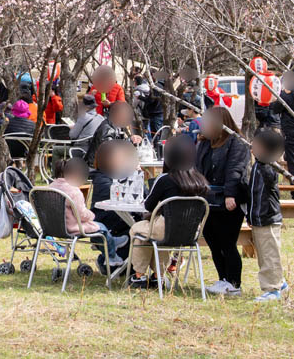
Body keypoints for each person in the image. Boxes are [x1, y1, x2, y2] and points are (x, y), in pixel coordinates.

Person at [126, 135, 209, 289]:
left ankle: (139, 275)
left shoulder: (164, 179)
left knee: (138, 232)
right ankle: (158, 275)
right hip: (191, 232)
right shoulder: (201, 181)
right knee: (155, 236)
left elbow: (148, 205)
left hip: (165, 228)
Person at [197, 106, 250, 296]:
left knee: (227, 242)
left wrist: (230, 194)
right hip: (207, 199)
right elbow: (197, 169)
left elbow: (235, 170)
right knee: (212, 241)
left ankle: (234, 283)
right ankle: (223, 278)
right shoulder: (204, 143)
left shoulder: (237, 142)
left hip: (229, 200)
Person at [49, 158, 125, 268]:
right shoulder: (73, 190)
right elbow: (82, 215)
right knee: (101, 227)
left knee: (99, 228)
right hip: (72, 228)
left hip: (53, 227)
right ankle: (112, 256)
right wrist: (92, 215)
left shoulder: (51, 187)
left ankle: (112, 242)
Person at [246, 128, 288, 302]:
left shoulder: (267, 169)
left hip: (267, 219)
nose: (252, 147)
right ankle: (280, 282)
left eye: (256, 144)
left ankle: (273, 288)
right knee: (264, 255)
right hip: (258, 219)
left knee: (270, 255)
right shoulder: (258, 165)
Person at [90, 140, 136, 252]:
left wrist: (135, 176)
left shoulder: (123, 174)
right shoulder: (101, 177)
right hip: (107, 222)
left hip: (123, 217)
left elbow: (144, 194)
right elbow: (118, 195)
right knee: (138, 228)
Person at [85, 100, 140, 166]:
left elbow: (117, 144)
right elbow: (110, 151)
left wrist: (131, 140)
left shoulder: (116, 126)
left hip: (105, 165)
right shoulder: (107, 128)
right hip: (96, 167)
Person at [268, 70, 294, 198]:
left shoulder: (286, 94)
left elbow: (275, 108)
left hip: (291, 134)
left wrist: (282, 94)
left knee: (292, 162)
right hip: (289, 132)